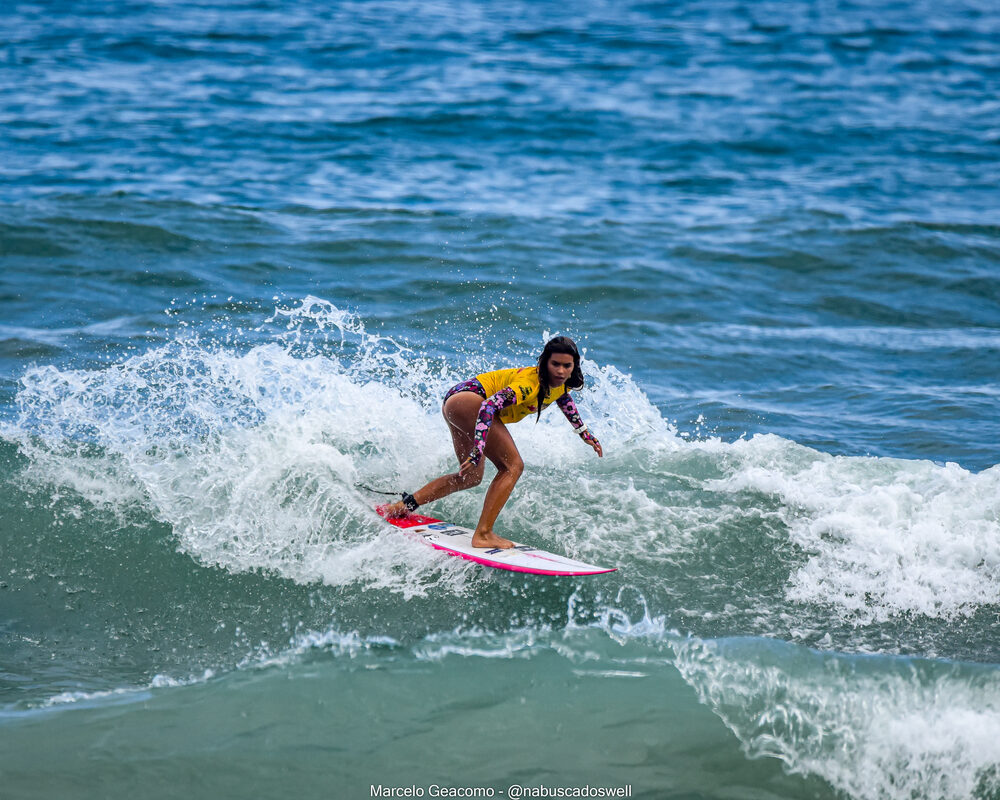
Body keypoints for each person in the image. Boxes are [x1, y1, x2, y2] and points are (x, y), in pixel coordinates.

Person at [381, 336, 603, 549]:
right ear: (544, 362)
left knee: (470, 477)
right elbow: (489, 406)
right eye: (555, 364)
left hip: (456, 402)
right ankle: (483, 534)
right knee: (512, 466)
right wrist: (478, 450)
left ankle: (403, 506)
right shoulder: (528, 384)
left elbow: (562, 398)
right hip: (469, 402)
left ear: (575, 366)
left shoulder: (559, 384)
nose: (561, 371)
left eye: (567, 366)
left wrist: (584, 433)